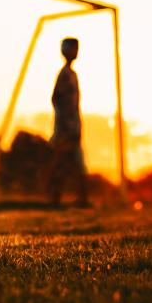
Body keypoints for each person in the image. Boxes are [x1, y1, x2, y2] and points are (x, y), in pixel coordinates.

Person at [46, 37, 88, 206]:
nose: (75, 51)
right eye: (72, 48)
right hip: (65, 130)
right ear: (65, 50)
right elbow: (56, 99)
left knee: (77, 166)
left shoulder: (72, 74)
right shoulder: (64, 75)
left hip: (74, 129)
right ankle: (54, 199)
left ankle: (82, 200)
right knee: (63, 165)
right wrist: (64, 127)